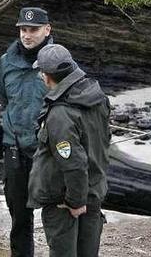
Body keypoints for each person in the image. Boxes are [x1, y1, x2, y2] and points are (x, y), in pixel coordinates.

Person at [27, 45, 111, 257]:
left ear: (47, 77)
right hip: (94, 189)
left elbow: (73, 162)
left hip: (65, 200)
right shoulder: (97, 97)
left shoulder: (60, 114)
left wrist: (75, 201)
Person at [0, 6, 53, 257]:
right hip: (14, 147)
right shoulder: (6, 62)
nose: (27, 35)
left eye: (33, 30)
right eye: (23, 30)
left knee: (55, 214)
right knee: (19, 215)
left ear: (47, 30)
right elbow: (3, 99)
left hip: (48, 150)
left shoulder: (59, 61)